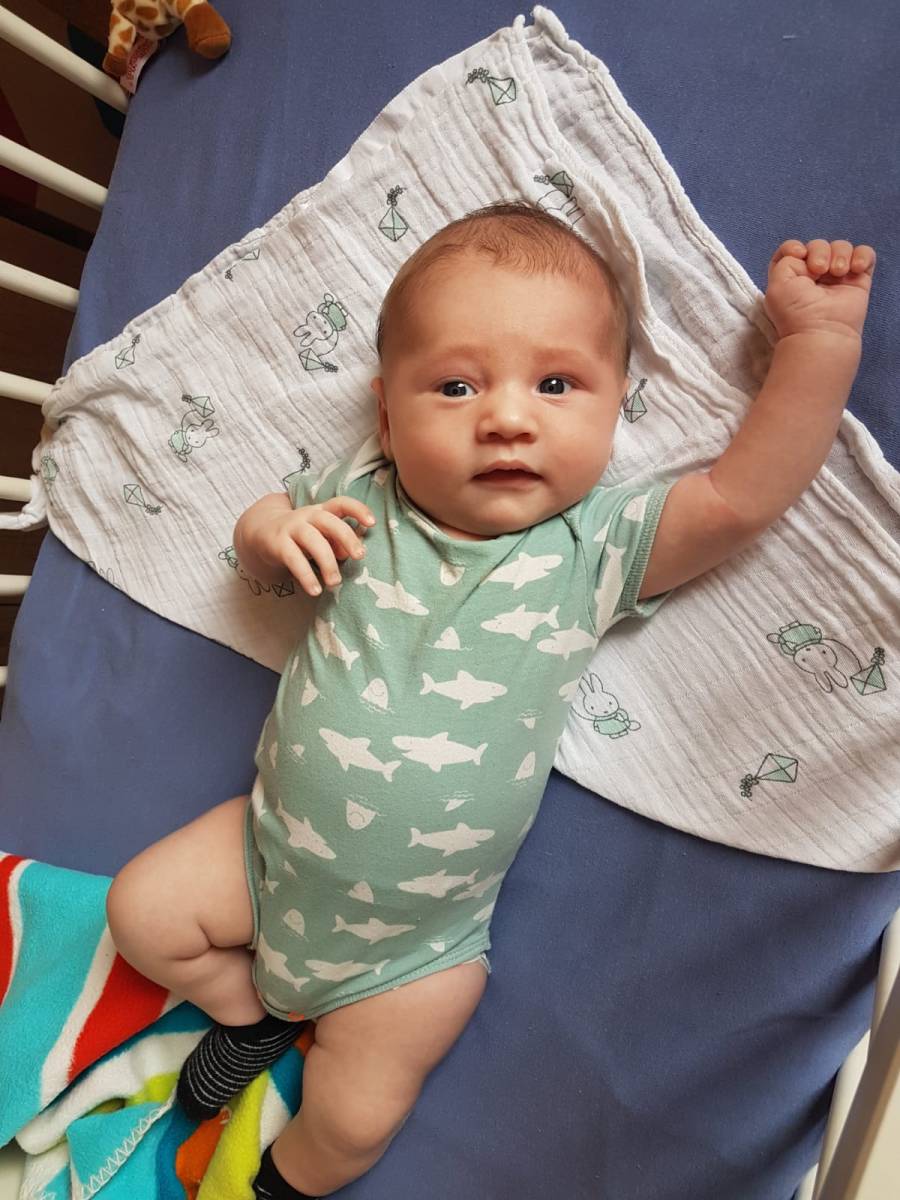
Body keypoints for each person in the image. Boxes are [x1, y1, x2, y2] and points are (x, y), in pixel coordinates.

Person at [105, 201, 876, 1198]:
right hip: (262, 856)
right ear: (388, 418)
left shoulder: (592, 548)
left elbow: (742, 497)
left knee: (354, 1119)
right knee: (142, 911)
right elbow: (265, 530)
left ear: (616, 407)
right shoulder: (360, 498)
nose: (507, 418)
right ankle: (248, 1017)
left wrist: (818, 345)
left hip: (414, 953)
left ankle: (278, 1187)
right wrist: (268, 535)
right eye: (457, 385)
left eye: (556, 384)